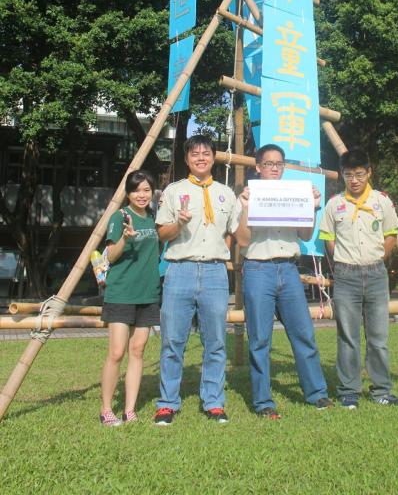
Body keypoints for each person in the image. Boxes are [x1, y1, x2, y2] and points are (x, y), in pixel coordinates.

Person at [236, 143, 333, 419]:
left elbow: (304, 234)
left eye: (279, 164)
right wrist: (245, 207)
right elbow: (242, 240)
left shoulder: (295, 193)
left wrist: (311, 207)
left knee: (303, 333)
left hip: (289, 270)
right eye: (268, 164)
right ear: (258, 167)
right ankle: (263, 401)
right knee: (259, 339)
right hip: (257, 269)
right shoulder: (246, 194)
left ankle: (317, 393)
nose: (274, 168)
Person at [153, 135, 238, 425]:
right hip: (180, 270)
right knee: (172, 340)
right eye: (194, 154)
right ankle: (167, 403)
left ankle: (213, 402)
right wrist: (179, 223)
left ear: (213, 157)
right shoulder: (173, 192)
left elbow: (237, 233)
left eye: (205, 153)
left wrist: (252, 204)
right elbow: (161, 235)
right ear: (187, 159)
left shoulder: (227, 193)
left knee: (215, 341)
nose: (200, 158)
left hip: (216, 271)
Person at [319, 147, 398, 408]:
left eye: (359, 174)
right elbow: (328, 239)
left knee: (378, 337)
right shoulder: (335, 204)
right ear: (342, 176)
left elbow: (391, 234)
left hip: (376, 273)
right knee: (348, 336)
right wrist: (343, 263)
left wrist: (379, 259)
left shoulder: (381, 201)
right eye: (349, 175)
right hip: (346, 274)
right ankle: (349, 391)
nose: (354, 180)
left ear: (369, 172)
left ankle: (381, 390)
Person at [100, 169, 161, 426]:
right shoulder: (120, 217)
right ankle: (106, 410)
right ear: (128, 192)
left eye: (146, 190)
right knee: (116, 353)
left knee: (137, 350)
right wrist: (124, 239)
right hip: (121, 293)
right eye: (137, 190)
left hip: (147, 293)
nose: (142, 195)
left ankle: (130, 410)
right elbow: (111, 256)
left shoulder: (154, 218)